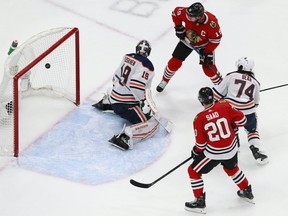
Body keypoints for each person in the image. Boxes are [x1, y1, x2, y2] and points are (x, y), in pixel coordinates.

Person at [185, 87, 254, 214]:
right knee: (231, 168)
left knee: (193, 171)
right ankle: (246, 190)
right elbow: (243, 120)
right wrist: (232, 124)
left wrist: (195, 151)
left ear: (200, 100)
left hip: (215, 152)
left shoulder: (199, 118)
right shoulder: (225, 105)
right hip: (233, 147)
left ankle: (199, 201)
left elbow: (201, 144)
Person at [93, 40, 160, 150]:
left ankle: (107, 102)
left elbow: (115, 77)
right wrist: (142, 101)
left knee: (116, 92)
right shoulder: (147, 65)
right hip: (125, 106)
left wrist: (119, 92)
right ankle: (126, 136)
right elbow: (137, 86)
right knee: (150, 121)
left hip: (114, 97)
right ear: (149, 52)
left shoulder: (127, 57)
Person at [212, 57, 268, 165]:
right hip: (248, 110)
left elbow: (216, 95)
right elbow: (256, 103)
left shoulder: (231, 75)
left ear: (240, 66)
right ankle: (255, 149)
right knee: (252, 130)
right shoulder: (256, 83)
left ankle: (233, 147)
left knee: (230, 127)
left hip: (230, 109)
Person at [156, 2, 223, 92]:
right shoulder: (188, 12)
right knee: (174, 63)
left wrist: (207, 52)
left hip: (204, 46)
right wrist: (178, 27)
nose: (188, 18)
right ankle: (164, 81)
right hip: (187, 41)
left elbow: (216, 39)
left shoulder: (211, 23)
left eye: (191, 17)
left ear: (200, 17)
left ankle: (222, 87)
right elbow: (175, 13)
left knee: (208, 69)